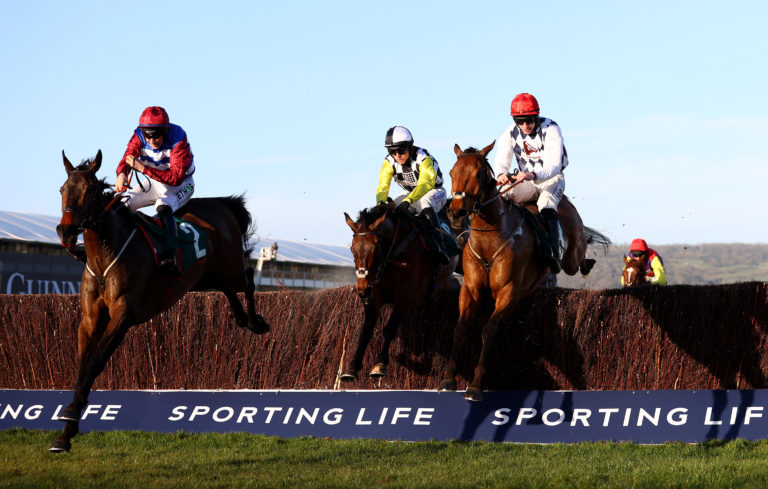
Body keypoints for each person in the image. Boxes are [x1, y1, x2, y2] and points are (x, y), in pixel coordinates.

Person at [492, 92, 568, 274]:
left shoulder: (551, 128)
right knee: (501, 195)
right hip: (527, 180)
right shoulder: (510, 132)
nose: (525, 125)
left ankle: (554, 252)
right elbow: (502, 160)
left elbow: (554, 165)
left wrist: (532, 174)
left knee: (546, 204)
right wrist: (501, 174)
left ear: (537, 116)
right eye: (520, 121)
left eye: (530, 120)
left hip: (551, 179)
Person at [115, 106, 195, 273]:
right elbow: (128, 157)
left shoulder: (178, 138)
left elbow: (175, 178)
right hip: (154, 182)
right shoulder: (138, 135)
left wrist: (143, 169)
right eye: (147, 135)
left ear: (165, 131)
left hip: (181, 184)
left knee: (162, 206)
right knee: (120, 204)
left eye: (156, 135)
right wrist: (122, 173)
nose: (151, 140)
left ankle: (171, 255)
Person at [375, 126, 450, 264]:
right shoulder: (388, 162)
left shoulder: (423, 157)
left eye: (401, 150)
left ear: (410, 146)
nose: (397, 155)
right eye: (392, 151)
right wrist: (380, 203)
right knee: (391, 210)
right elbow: (383, 185)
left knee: (424, 203)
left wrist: (408, 201)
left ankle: (440, 247)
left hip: (434, 191)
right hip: (411, 193)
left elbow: (425, 184)